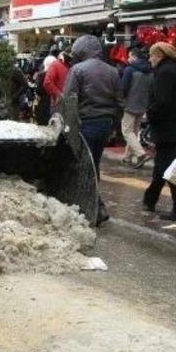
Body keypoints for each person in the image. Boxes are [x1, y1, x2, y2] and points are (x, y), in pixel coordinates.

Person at [62, 34, 122, 223]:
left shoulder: (77, 70)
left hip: (85, 124)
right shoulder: (113, 71)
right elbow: (120, 102)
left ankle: (94, 208)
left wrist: (66, 127)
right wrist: (114, 126)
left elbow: (69, 100)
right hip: (105, 125)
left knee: (84, 167)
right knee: (93, 164)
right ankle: (97, 206)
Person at [142, 42, 176, 222]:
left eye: (152, 55)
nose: (149, 59)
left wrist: (150, 116)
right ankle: (150, 199)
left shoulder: (165, 73)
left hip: (166, 127)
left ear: (160, 56)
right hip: (175, 125)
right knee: (163, 165)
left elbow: (162, 101)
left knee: (169, 168)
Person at [119, 46, 153, 168]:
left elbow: (123, 88)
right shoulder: (150, 70)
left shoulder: (129, 70)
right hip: (143, 105)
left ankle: (141, 153)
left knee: (127, 131)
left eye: (129, 56)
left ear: (134, 56)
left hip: (130, 104)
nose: (128, 59)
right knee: (134, 131)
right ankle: (127, 157)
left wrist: (120, 100)